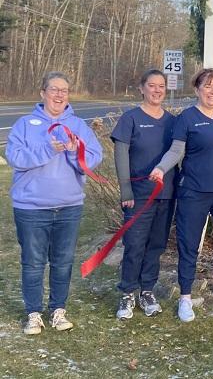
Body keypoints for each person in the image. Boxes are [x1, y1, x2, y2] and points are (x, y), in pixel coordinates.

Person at [6, 71, 103, 334]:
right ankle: (33, 313)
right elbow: (15, 157)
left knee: (62, 262)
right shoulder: (25, 124)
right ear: (43, 93)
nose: (59, 94)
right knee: (33, 262)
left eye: (64, 90)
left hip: (69, 207)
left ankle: (58, 310)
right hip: (31, 208)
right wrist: (49, 149)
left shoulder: (78, 125)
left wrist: (74, 151)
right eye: (54, 89)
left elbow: (94, 157)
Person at [150, 68, 213, 322]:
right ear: (197, 90)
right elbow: (176, 151)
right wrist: (160, 168)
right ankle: (185, 297)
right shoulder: (187, 118)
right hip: (193, 192)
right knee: (189, 245)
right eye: (207, 87)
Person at [111, 69, 177, 320]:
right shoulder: (130, 119)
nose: (157, 90)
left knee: (156, 245)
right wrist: (125, 190)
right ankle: (128, 292)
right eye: (152, 85)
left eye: (161, 86)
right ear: (141, 88)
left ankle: (147, 290)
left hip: (166, 194)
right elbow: (121, 156)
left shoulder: (172, 122)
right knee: (135, 244)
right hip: (138, 195)